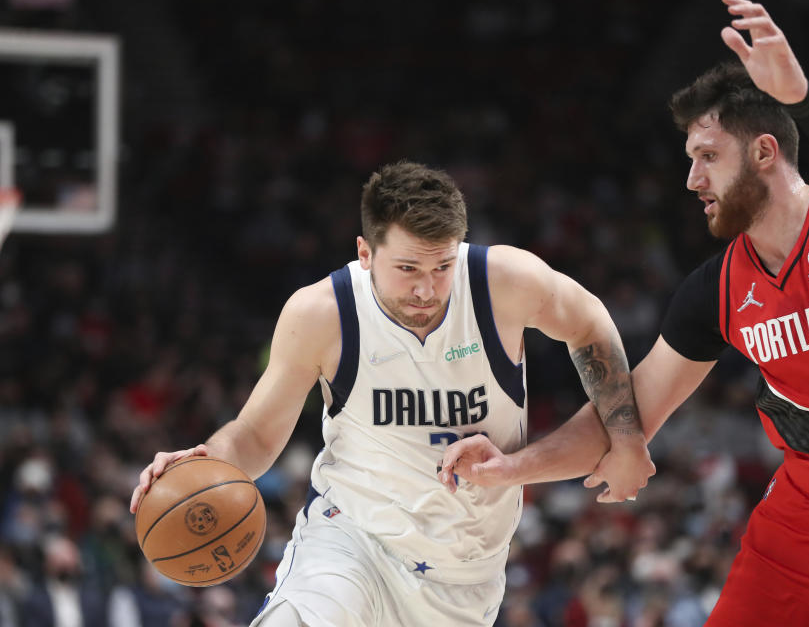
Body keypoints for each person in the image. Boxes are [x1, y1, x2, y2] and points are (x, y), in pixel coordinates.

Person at [440, 0, 809, 626]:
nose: (692, 180)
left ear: (766, 152)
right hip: (800, 524)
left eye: (708, 156)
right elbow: (626, 414)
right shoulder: (715, 290)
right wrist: (510, 468)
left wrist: (803, 96)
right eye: (690, 160)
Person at [128, 161, 655, 626]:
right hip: (351, 539)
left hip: (463, 574)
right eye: (407, 269)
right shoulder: (322, 313)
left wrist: (626, 438)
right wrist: (206, 459)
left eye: (441, 267)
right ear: (365, 252)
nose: (426, 289)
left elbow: (590, 325)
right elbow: (257, 433)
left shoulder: (503, 283)